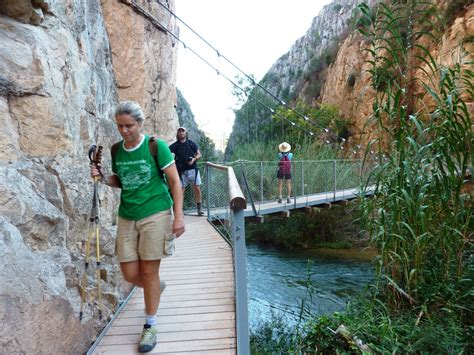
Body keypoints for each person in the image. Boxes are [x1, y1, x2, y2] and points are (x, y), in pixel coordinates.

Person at [90, 101, 185, 353]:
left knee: (149, 272)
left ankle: (150, 326)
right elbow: (121, 180)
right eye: (120, 125)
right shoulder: (116, 150)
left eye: (129, 125)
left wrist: (178, 217)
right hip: (127, 215)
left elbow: (175, 182)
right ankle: (155, 287)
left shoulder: (156, 147)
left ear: (140, 124)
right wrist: (102, 177)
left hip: (156, 213)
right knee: (131, 274)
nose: (124, 130)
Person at [169, 127, 205, 216]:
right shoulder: (175, 145)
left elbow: (199, 154)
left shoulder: (191, 143)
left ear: (186, 133)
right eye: (179, 131)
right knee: (181, 190)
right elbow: (166, 152)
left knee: (197, 188)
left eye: (182, 131)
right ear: (177, 134)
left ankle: (199, 208)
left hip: (193, 169)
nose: (181, 132)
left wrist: (194, 159)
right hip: (181, 172)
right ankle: (179, 210)